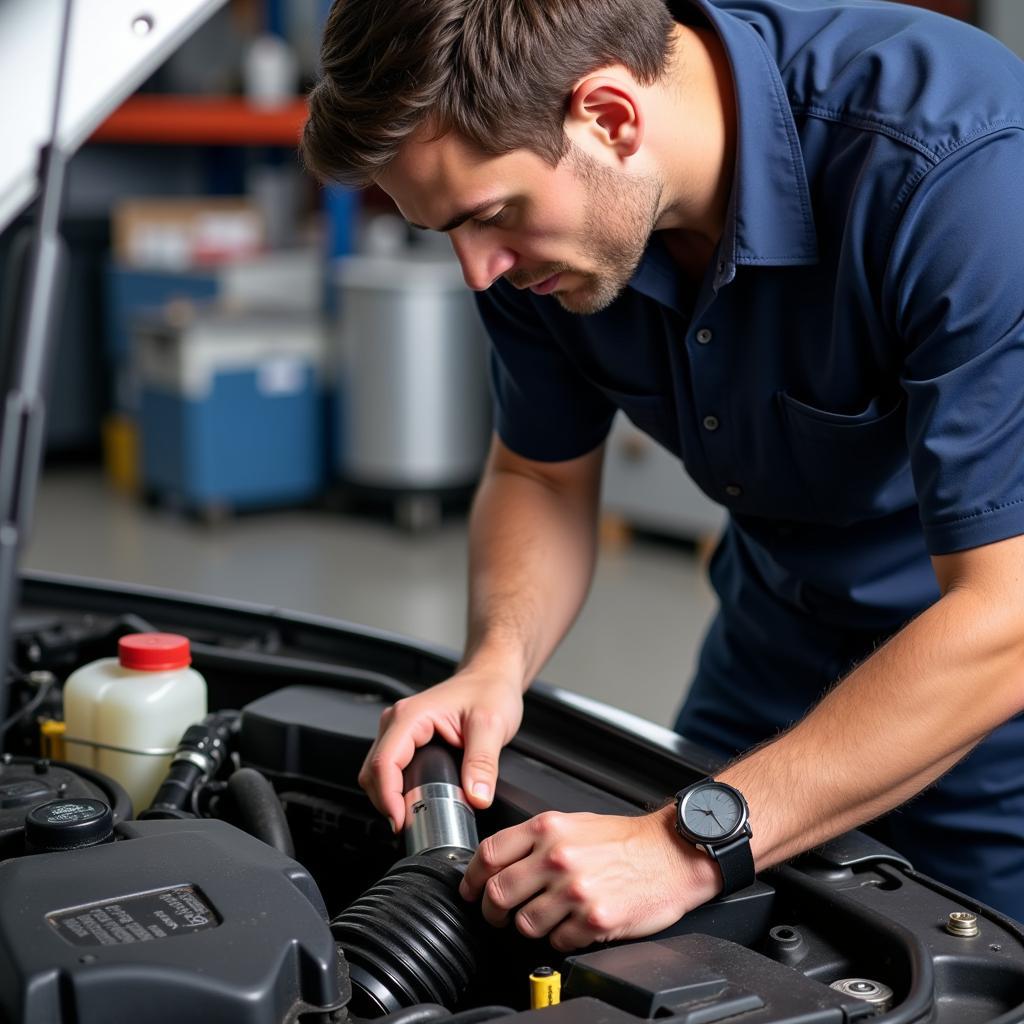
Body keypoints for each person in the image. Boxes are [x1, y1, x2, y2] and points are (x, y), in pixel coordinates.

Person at [301, 0, 1024, 948]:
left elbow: (1005, 612)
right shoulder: (542, 240)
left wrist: (686, 847)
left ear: (609, 116)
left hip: (985, 707)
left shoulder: (958, 173)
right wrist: (496, 663)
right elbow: (540, 475)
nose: (478, 271)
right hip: (770, 652)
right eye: (448, 233)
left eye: (489, 217)